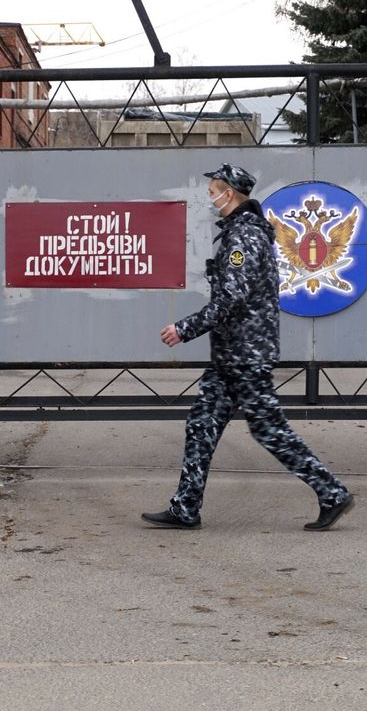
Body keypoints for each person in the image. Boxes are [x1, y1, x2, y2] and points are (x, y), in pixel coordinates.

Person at [142, 163, 354, 531]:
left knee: (269, 429)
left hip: (245, 355)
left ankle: (332, 492)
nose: (209, 197)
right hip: (232, 355)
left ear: (229, 193)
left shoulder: (243, 238)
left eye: (212, 191)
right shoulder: (243, 232)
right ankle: (185, 507)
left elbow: (232, 299)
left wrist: (184, 328)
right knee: (201, 423)